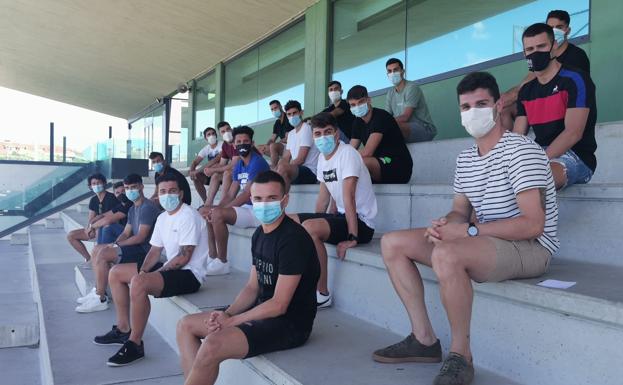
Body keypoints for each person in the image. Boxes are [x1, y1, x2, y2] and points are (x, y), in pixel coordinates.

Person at [373, 72, 558, 385]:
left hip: (531, 248)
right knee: (392, 243)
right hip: (487, 240)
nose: (473, 112)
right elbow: (461, 210)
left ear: (499, 105)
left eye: (481, 103)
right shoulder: (466, 158)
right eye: (466, 106)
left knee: (447, 255)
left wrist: (469, 232)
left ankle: (461, 356)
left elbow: (533, 224)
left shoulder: (522, 151)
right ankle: (424, 340)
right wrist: (447, 225)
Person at [176, 171, 320, 385]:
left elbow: (279, 305)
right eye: (259, 199)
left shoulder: (293, 240)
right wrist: (227, 313)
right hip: (263, 310)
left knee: (213, 344)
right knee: (186, 325)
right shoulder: (260, 234)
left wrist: (232, 321)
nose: (264, 204)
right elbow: (253, 287)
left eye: (272, 198)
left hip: (290, 324)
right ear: (251, 200)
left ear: (285, 200)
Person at [95, 173, 209, 367]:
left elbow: (184, 257)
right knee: (116, 273)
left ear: (181, 193)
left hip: (189, 274)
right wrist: (144, 270)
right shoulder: (164, 217)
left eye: (172, 191)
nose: (167, 195)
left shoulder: (189, 216)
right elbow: (155, 251)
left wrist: (152, 274)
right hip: (170, 266)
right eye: (163, 191)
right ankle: (123, 329)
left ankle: (135, 343)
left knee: (139, 283)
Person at [291, 112, 377, 308]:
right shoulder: (322, 158)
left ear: (337, 134)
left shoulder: (347, 153)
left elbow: (349, 197)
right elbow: (322, 198)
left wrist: (353, 237)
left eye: (327, 132)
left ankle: (322, 293)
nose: (323, 137)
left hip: (361, 223)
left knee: (310, 228)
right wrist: (316, 216)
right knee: (289, 221)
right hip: (340, 216)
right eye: (318, 133)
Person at [513, 23, 597, 190]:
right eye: (530, 49)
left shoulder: (575, 79)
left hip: (576, 156)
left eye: (541, 46)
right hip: (541, 155)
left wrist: (539, 161)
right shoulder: (526, 92)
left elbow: (573, 133)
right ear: (524, 54)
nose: (535, 52)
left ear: (554, 46)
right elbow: (517, 138)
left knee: (534, 180)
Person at [75, 174, 161, 313]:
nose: (130, 191)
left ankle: (101, 299)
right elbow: (126, 233)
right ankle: (98, 290)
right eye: (127, 188)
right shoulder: (133, 208)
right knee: (98, 249)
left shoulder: (147, 207)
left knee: (103, 254)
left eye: (133, 187)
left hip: (145, 251)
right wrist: (114, 243)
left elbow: (140, 237)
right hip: (135, 247)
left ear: (141, 187)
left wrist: (117, 246)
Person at [500, 10, 591, 131]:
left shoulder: (576, 56)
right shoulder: (540, 60)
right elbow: (526, 83)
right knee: (504, 109)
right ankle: (505, 148)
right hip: (540, 102)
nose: (554, 31)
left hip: (564, 106)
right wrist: (504, 98)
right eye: (550, 27)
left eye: (559, 27)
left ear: (567, 31)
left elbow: (575, 91)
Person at [199, 126, 270, 276]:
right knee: (204, 211)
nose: (242, 144)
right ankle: (213, 256)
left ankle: (222, 262)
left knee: (217, 214)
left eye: (246, 141)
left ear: (252, 143)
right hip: (247, 208)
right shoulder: (239, 165)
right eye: (239, 141)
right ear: (234, 145)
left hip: (259, 211)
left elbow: (245, 194)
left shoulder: (258, 162)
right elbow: (231, 193)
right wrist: (216, 207)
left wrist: (219, 211)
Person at [348, 85, 413, 184]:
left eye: (361, 102)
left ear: (368, 100)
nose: (357, 107)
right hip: (378, 165)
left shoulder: (380, 117)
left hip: (398, 166)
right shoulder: (357, 123)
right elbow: (351, 149)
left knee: (361, 162)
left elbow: (367, 152)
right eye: (353, 105)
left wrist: (341, 158)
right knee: (349, 167)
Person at [66, 173, 118, 265]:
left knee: (102, 230)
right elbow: (91, 218)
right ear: (90, 186)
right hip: (95, 228)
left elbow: (111, 218)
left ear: (104, 183)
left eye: (99, 183)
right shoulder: (93, 200)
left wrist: (95, 227)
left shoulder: (111, 198)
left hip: (107, 228)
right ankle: (89, 259)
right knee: (71, 236)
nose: (96, 185)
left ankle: (101, 260)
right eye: (94, 184)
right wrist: (89, 228)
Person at [385, 58, 437, 142]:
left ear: (402, 71)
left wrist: (383, 123)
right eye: (389, 71)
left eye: (395, 70)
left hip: (424, 129)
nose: (392, 73)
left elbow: (405, 117)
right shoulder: (390, 93)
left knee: (393, 127)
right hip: (404, 129)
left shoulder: (412, 87)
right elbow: (386, 116)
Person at [276, 100, 320, 191]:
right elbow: (285, 158)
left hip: (311, 172)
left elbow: (301, 159)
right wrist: (277, 169)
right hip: (298, 170)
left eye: (294, 113)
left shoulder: (306, 129)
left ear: (301, 112)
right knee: (272, 171)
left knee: (283, 169)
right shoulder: (291, 134)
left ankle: (281, 202)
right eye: (289, 114)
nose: (292, 116)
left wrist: (282, 168)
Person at [202, 121, 237, 206]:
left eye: (228, 129)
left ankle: (222, 204)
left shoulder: (237, 141)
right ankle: (208, 204)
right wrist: (210, 169)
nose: (227, 132)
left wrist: (213, 169)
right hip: (237, 170)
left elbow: (233, 164)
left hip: (244, 169)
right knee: (216, 175)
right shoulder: (225, 145)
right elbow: (222, 164)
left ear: (231, 129)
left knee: (227, 173)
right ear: (220, 134)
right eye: (223, 131)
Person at [189, 127, 223, 203]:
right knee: (196, 177)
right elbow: (195, 162)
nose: (211, 136)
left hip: (221, 173)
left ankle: (210, 203)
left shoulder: (222, 145)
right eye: (209, 134)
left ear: (216, 135)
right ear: (205, 138)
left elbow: (215, 160)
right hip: (210, 173)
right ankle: (205, 202)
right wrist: (192, 171)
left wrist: (197, 171)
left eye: (213, 133)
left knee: (214, 168)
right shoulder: (206, 148)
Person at [257, 100, 292, 169]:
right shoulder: (277, 123)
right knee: (260, 147)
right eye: (272, 109)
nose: (274, 110)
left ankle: (274, 168)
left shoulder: (288, 117)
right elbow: (272, 138)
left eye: (275, 108)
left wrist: (274, 144)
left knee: (273, 146)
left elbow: (287, 138)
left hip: (290, 144)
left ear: (280, 107)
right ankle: (277, 163)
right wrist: (266, 145)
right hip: (283, 145)